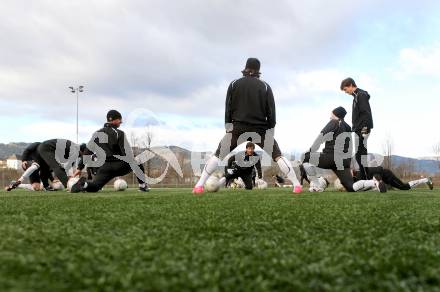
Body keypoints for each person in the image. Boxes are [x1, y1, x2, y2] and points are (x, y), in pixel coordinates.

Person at [192, 58, 302, 194]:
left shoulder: (234, 84)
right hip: (260, 129)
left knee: (217, 155)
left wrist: (228, 127)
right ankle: (297, 185)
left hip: (237, 128)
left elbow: (228, 108)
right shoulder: (266, 86)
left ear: (245, 67)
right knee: (278, 156)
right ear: (258, 70)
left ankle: (199, 185)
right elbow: (271, 112)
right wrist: (269, 129)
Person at [302, 106, 386, 193]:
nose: (330, 116)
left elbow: (321, 136)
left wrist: (311, 150)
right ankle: (374, 183)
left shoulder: (334, 122)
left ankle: (317, 186)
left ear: (336, 115)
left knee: (304, 157)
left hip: (330, 157)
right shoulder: (348, 127)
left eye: (331, 114)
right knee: (351, 187)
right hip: (344, 161)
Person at [70, 110, 150, 193]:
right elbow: (126, 154)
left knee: (96, 186)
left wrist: (79, 168)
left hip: (104, 168)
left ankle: (84, 185)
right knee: (137, 161)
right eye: (119, 119)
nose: (121, 122)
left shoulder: (97, 133)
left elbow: (87, 152)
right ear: (114, 120)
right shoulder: (119, 133)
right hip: (119, 165)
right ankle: (143, 186)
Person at [5, 139, 81, 191]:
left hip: (39, 167)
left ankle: (16, 184)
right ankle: (17, 183)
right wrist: (24, 160)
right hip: (29, 163)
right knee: (35, 172)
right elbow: (27, 151)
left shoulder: (50, 157)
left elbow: (47, 171)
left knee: (37, 187)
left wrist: (52, 180)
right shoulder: (38, 145)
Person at [340, 77, 373, 180]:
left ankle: (366, 179)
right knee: (360, 155)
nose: (345, 92)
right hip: (358, 129)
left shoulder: (361, 95)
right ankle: (365, 178)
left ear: (350, 85)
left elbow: (366, 112)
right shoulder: (356, 96)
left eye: (345, 89)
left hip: (363, 129)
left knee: (360, 155)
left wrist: (365, 128)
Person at [353, 167, 434, 191]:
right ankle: (426, 180)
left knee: (404, 187)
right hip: (384, 178)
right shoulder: (358, 176)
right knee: (403, 187)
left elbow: (377, 172)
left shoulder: (361, 173)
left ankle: (426, 180)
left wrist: (378, 180)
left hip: (387, 175)